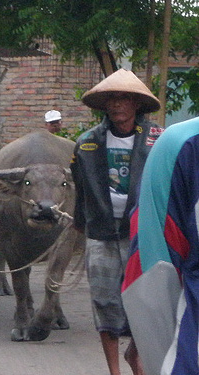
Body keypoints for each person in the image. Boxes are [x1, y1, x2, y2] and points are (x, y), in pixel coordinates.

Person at [70, 68, 163, 375]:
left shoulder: (156, 141)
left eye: (124, 99)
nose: (117, 105)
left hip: (143, 234)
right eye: (111, 98)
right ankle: (114, 371)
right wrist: (81, 225)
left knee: (144, 304)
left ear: (137, 104)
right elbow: (80, 190)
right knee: (105, 303)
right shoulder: (86, 144)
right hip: (101, 234)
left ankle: (135, 355)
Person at [122, 116, 199, 375]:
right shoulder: (180, 145)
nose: (119, 107)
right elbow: (152, 274)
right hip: (109, 226)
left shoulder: (152, 134)